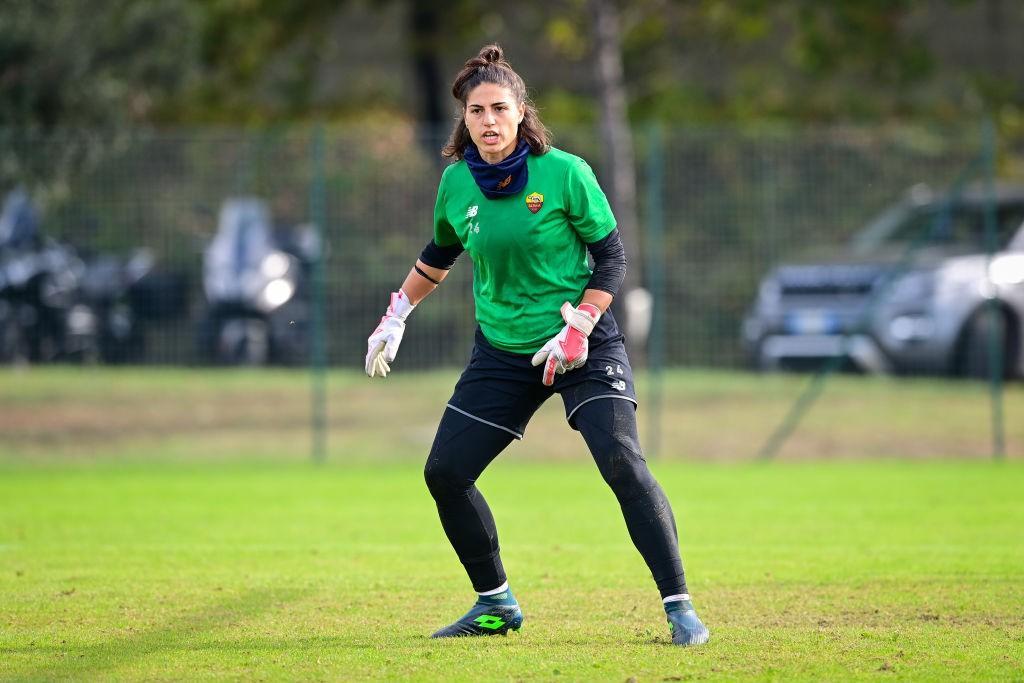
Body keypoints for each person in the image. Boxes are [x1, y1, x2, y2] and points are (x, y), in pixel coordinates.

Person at [364, 44, 709, 647]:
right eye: (477, 111)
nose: (489, 121)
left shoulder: (566, 173)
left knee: (622, 462)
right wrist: (397, 314)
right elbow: (440, 254)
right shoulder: (455, 184)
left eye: (500, 108)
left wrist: (579, 327)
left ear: (523, 112)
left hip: (582, 341)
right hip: (502, 349)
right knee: (445, 472)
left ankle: (680, 610)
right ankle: (495, 604)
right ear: (464, 120)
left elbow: (611, 256)